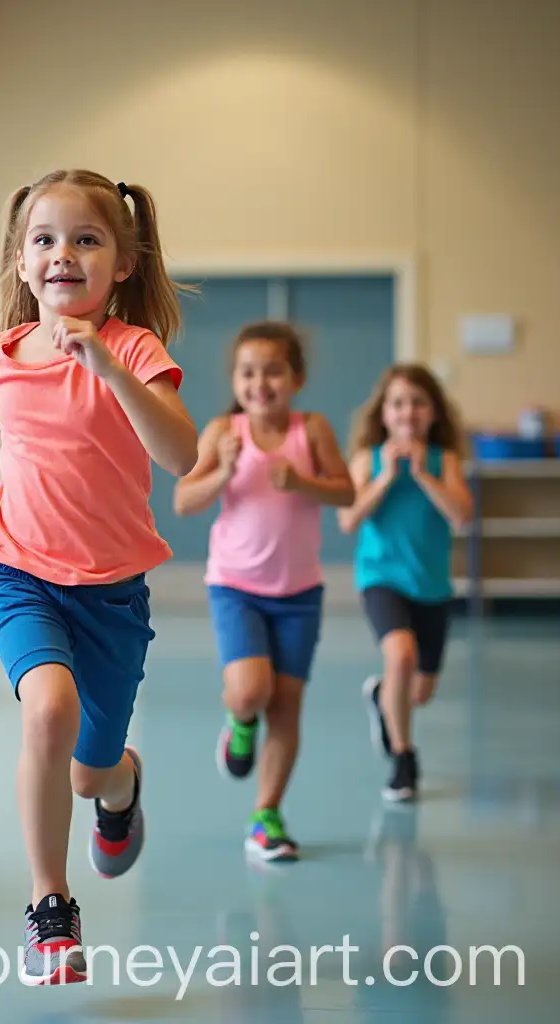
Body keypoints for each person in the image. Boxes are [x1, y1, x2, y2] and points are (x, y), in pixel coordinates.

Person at [0, 169, 198, 984]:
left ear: (123, 263)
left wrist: (108, 367)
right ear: (21, 260)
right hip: (19, 576)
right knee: (49, 708)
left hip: (111, 594)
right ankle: (50, 908)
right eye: (44, 239)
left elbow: (181, 454)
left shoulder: (135, 350)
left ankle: (121, 782)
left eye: (85, 239)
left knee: (85, 769)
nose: (62, 254)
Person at [173, 321, 353, 862]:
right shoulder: (223, 432)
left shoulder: (312, 429)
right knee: (252, 690)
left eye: (273, 370)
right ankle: (239, 723)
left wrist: (302, 483)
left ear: (295, 377)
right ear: (236, 379)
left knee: (289, 707)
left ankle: (266, 816)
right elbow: (185, 501)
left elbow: (347, 491)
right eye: (248, 372)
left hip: (299, 592)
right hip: (237, 587)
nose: (260, 382)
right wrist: (223, 470)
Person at [338, 364, 472, 802]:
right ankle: (403, 759)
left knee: (419, 691)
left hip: (431, 586)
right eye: (398, 403)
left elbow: (461, 516)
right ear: (384, 413)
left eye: (418, 403)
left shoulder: (444, 461)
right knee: (401, 654)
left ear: (433, 413)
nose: (408, 412)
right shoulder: (367, 459)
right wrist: (386, 477)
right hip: (381, 578)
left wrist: (422, 475)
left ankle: (383, 700)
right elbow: (348, 518)